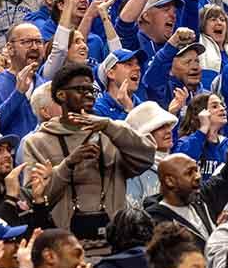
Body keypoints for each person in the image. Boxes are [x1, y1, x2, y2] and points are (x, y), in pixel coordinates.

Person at [21, 63, 155, 240]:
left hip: (114, 240)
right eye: (80, 89)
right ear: (61, 95)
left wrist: (109, 126)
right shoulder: (37, 142)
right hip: (66, 244)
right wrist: (67, 165)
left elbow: (146, 158)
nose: (89, 94)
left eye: (90, 89)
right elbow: (35, 197)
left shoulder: (112, 132)